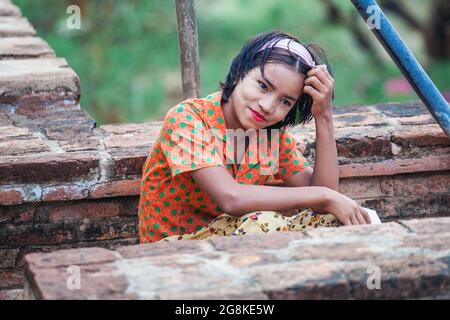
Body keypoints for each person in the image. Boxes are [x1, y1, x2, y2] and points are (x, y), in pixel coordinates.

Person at [138, 30, 372, 244]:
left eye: (285, 101)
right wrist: (324, 196)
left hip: (235, 243)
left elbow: (323, 202)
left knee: (340, 221)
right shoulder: (188, 119)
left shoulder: (269, 135)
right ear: (240, 72)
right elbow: (231, 198)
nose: (268, 106)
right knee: (264, 222)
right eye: (262, 85)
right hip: (174, 249)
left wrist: (324, 116)